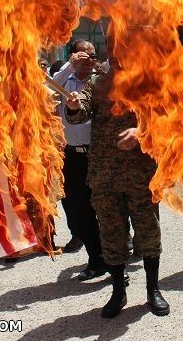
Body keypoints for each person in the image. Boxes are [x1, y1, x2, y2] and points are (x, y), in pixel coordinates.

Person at [66, 49, 170, 318]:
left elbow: (168, 121)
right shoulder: (98, 83)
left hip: (140, 175)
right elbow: (79, 114)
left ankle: (153, 290)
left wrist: (141, 131)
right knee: (111, 235)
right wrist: (74, 105)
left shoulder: (148, 84)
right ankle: (117, 291)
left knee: (148, 233)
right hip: (105, 176)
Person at [52, 40, 105, 277]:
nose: (89, 59)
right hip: (74, 156)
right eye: (84, 54)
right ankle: (96, 260)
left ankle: (116, 258)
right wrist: (68, 68)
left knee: (107, 210)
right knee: (82, 211)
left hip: (101, 156)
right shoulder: (64, 80)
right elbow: (43, 92)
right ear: (73, 55)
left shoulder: (101, 80)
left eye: (93, 55)